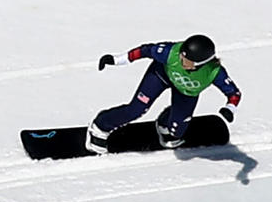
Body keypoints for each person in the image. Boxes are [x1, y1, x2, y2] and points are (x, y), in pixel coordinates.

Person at [94, 29, 241, 143]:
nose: (181, 59)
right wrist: (116, 60)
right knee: (136, 109)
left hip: (186, 92)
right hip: (160, 75)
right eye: (182, 55)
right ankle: (100, 126)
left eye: (186, 60)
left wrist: (229, 109)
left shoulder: (214, 73)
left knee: (176, 131)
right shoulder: (171, 52)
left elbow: (234, 94)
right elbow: (144, 50)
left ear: (199, 64)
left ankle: (166, 122)